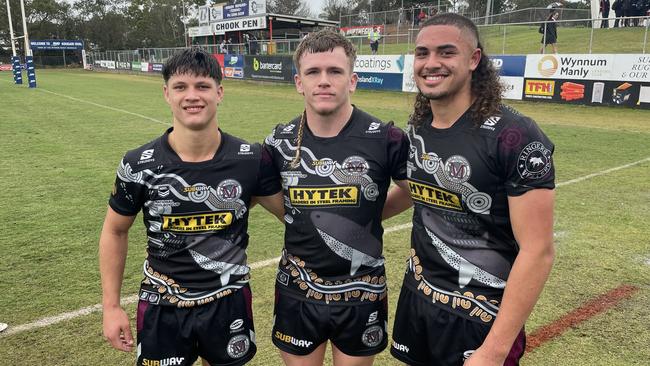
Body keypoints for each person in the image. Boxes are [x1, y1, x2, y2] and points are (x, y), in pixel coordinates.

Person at [385, 13, 556, 366]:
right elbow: (419, 189)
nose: (431, 64)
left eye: (446, 53)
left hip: (479, 318)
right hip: (420, 299)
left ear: (473, 60)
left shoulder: (516, 136)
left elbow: (537, 251)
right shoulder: (418, 127)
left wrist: (493, 351)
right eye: (422, 53)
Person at [99, 48, 283, 366]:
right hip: (162, 304)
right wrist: (111, 306)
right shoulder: (138, 164)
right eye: (181, 87)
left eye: (202, 86)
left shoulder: (252, 159)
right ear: (166, 94)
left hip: (228, 301)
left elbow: (290, 214)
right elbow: (115, 231)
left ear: (219, 92)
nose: (192, 96)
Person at [263, 29, 409, 366]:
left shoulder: (384, 137)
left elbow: (415, 191)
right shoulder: (279, 142)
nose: (323, 81)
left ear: (352, 80)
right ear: (299, 82)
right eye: (313, 72)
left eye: (335, 71)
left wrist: (369, 215)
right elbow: (274, 201)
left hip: (362, 291)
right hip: (297, 290)